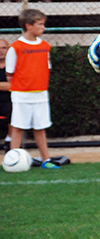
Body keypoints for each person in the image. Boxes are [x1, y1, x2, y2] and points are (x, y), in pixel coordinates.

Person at [5, 9, 57, 169]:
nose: (43, 27)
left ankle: (46, 160)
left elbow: (46, 69)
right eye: (40, 24)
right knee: (18, 127)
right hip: (21, 94)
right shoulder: (16, 47)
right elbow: (10, 73)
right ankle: (13, 160)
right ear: (28, 26)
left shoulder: (45, 46)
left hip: (41, 93)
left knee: (40, 128)